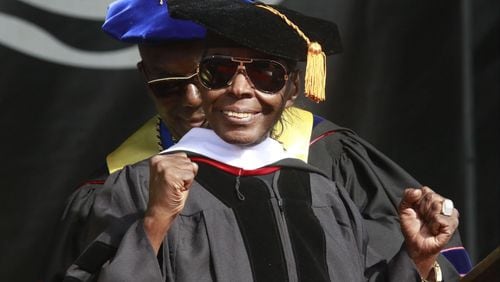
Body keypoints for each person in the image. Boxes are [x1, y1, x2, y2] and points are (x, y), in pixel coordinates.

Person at [42, 0, 470, 280]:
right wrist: (153, 224)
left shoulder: (324, 184)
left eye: (266, 75)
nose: (239, 90)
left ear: (294, 89)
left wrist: (416, 261)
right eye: (219, 73)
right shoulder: (128, 186)